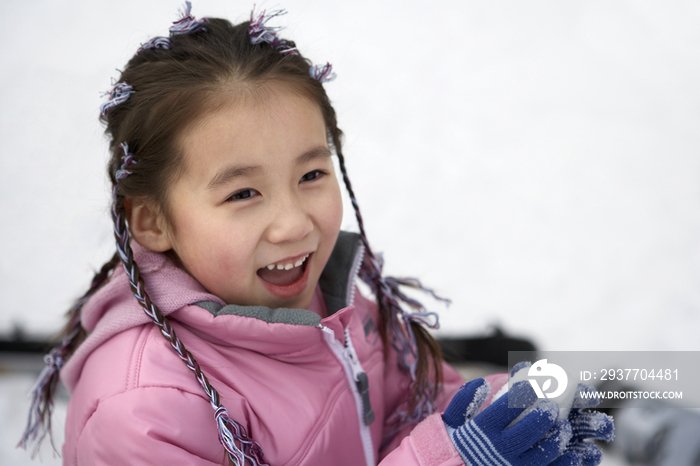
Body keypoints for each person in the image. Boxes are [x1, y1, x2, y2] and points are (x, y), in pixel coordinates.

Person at [18, 3, 612, 465]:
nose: (295, 222)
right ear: (150, 219)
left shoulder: (339, 308)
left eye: (310, 174)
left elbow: (422, 414)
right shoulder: (145, 411)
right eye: (243, 193)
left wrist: (502, 419)